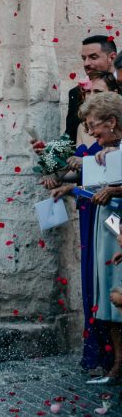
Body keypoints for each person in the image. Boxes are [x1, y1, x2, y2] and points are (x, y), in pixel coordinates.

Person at [76, 91, 122, 384]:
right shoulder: (107, 152)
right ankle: (117, 364)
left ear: (113, 121)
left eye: (94, 125)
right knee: (109, 297)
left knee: (120, 292)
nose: (91, 132)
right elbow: (95, 188)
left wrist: (116, 190)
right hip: (107, 227)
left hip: (119, 231)